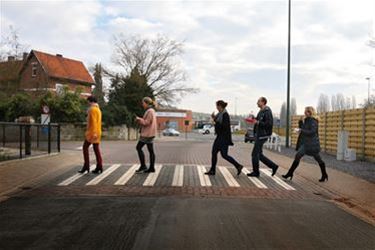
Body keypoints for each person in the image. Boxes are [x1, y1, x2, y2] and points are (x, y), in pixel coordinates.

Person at [282, 106, 328, 182]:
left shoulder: (314, 121)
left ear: (310, 112)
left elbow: (312, 132)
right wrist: (300, 122)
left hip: (312, 144)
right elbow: (303, 129)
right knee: (298, 155)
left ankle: (324, 174)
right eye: (305, 111)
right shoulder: (306, 120)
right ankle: (290, 173)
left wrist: (301, 130)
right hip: (306, 144)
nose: (304, 113)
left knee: (318, 159)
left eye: (306, 111)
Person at [205, 100, 243, 176]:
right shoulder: (220, 114)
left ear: (220, 106)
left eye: (217, 106)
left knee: (224, 155)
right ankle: (213, 170)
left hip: (223, 138)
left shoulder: (225, 115)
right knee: (215, 153)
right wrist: (214, 118)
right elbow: (218, 122)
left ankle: (238, 166)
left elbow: (224, 127)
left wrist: (215, 123)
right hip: (220, 137)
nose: (216, 107)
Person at [247, 97, 279, 177]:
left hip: (263, 135)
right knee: (259, 155)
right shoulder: (261, 111)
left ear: (263, 102)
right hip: (259, 134)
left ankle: (256, 172)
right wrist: (253, 119)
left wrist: (257, 122)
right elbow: (258, 121)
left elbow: (269, 123)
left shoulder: (267, 111)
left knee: (254, 154)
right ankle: (273, 166)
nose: (257, 103)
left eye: (258, 101)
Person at [78, 96, 103, 174]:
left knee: (85, 147)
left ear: (91, 101)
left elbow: (94, 122)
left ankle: (86, 166)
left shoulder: (92, 110)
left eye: (88, 102)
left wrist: (94, 133)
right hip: (98, 132)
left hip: (92, 133)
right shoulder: (98, 109)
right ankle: (99, 166)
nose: (88, 103)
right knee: (96, 149)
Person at [135, 97, 157, 173]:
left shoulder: (150, 111)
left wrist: (138, 119)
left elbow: (146, 122)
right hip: (151, 133)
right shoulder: (152, 111)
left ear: (146, 103)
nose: (142, 104)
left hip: (147, 134)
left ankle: (143, 166)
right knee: (151, 151)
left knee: (138, 147)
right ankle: (151, 168)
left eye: (143, 103)